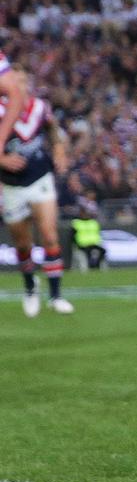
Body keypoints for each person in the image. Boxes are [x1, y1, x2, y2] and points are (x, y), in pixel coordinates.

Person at [0, 54, 74, 317]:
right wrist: (3, 159)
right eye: (14, 81)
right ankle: (31, 287)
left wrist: (59, 150)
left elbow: (53, 131)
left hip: (40, 177)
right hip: (11, 184)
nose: (19, 86)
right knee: (22, 244)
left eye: (23, 81)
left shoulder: (40, 108)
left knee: (49, 233)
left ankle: (55, 296)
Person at [70, 201, 106, 271]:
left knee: (103, 251)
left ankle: (97, 266)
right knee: (87, 253)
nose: (85, 214)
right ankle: (91, 266)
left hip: (94, 244)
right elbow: (72, 237)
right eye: (83, 212)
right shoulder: (76, 222)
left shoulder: (93, 222)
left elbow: (98, 234)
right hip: (82, 245)